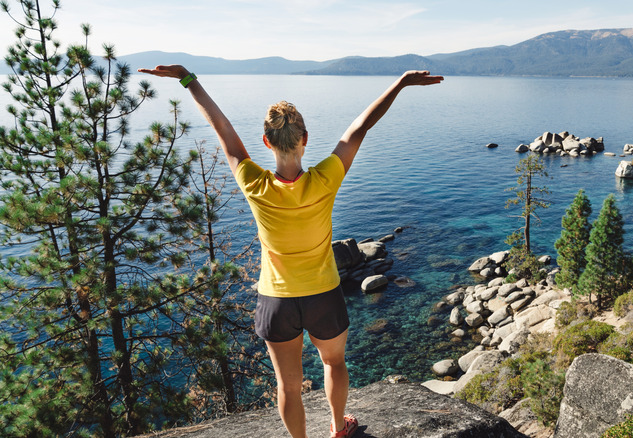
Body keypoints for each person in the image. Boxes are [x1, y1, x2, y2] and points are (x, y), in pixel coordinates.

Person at [138, 65, 443, 438]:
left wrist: (189, 80)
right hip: (324, 294)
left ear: (266, 142)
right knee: (333, 364)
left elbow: (224, 132)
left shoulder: (254, 183)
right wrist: (400, 83)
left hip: (276, 299)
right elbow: (359, 128)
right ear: (305, 139)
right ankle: (337, 428)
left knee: (288, 385)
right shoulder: (325, 179)